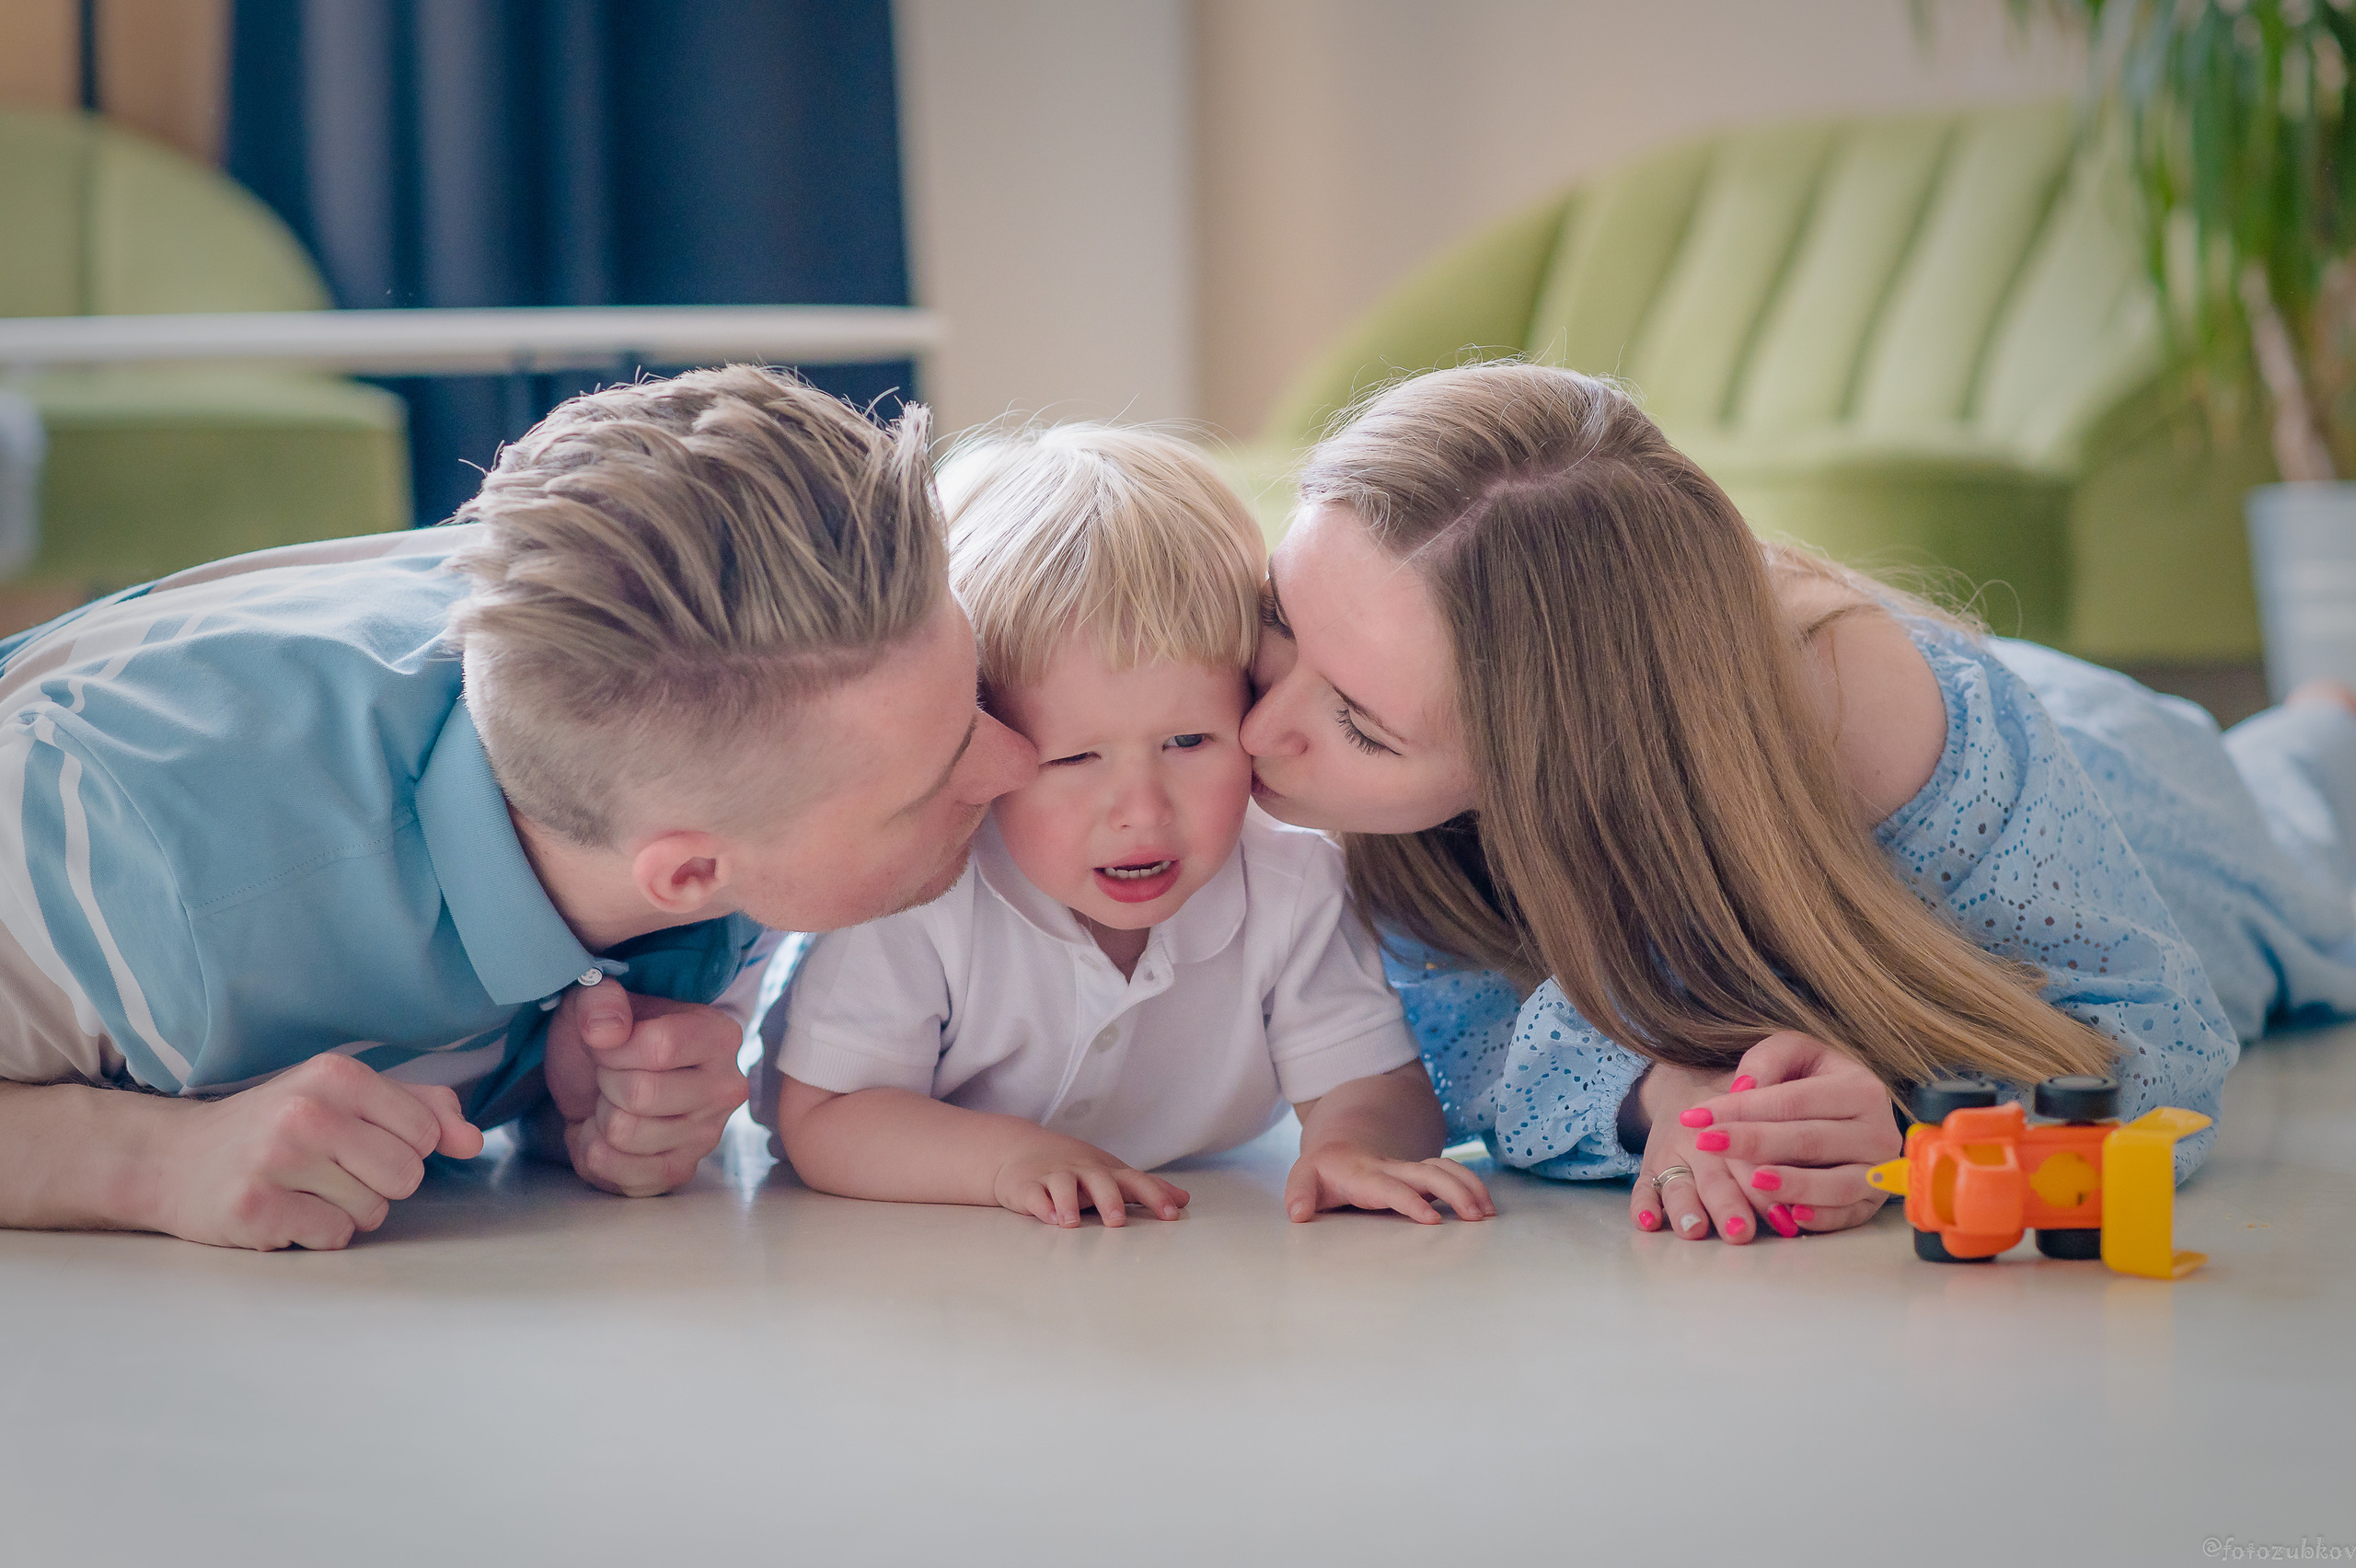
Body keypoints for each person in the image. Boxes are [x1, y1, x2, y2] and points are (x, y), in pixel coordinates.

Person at [1241, 361, 2356, 1245]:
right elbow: (1450, 1041)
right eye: (1279, 620)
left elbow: (2157, 1051)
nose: (1257, 729)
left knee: (2298, 845)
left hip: (2119, 783)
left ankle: (2320, 719)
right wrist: (1659, 1095)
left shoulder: (1892, 733)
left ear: (1565, 754)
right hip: (1949, 695)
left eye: (1358, 726)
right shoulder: (1346, 713)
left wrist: (1916, 1127)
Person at [0, 366, 1034, 1251]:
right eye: (937, 777)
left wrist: (561, 1099)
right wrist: (142, 1163)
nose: (1021, 760)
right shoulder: (108, 833)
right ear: (685, 875)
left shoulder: (664, 680)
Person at [756, 425, 1494, 1228]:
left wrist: (1355, 1145)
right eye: (1075, 759)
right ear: (984, 748)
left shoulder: (1289, 881)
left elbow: (1376, 1080)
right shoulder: (924, 892)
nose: (1142, 808)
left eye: (1188, 743)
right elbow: (826, 1116)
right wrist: (1008, 1161)